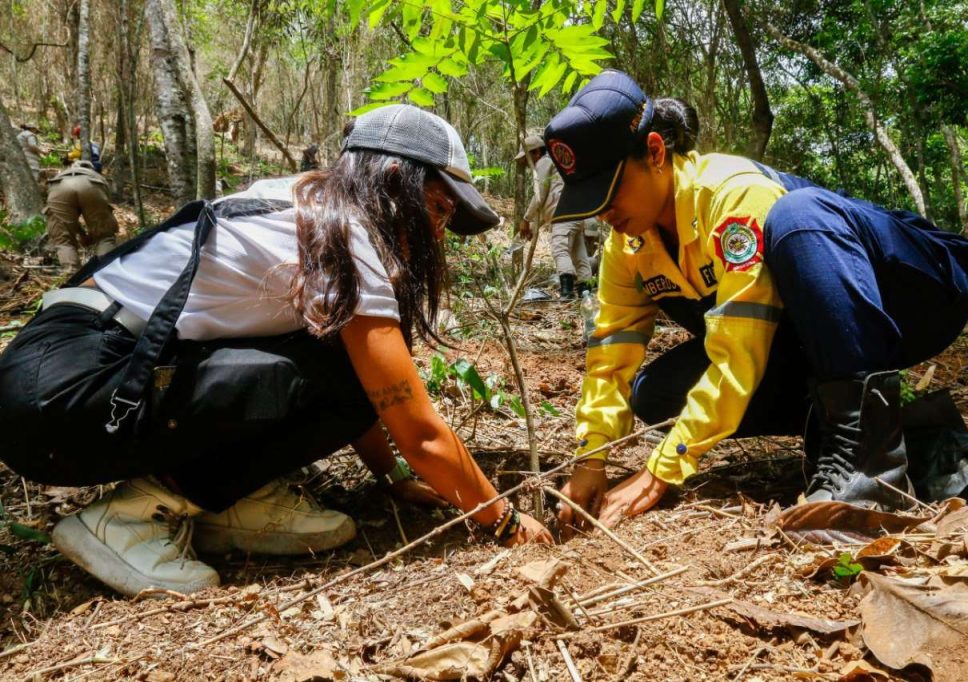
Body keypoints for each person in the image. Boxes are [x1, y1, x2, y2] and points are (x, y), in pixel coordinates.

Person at [0, 104, 552, 597]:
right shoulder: (349, 236)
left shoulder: (307, 201)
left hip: (58, 374)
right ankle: (126, 519)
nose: (437, 231)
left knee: (337, 362)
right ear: (392, 180)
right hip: (65, 388)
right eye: (437, 207)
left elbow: (358, 394)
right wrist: (502, 521)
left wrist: (391, 477)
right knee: (342, 368)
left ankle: (222, 496)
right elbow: (416, 425)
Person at [547, 71, 968, 534]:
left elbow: (737, 350)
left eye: (610, 191)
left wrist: (663, 469)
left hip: (919, 290)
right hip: (811, 338)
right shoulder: (627, 245)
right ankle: (857, 426)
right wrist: (591, 458)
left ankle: (865, 463)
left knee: (797, 215)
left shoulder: (732, 194)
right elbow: (611, 352)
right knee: (656, 392)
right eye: (591, 200)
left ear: (654, 152)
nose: (603, 212)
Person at [517, 134, 593, 299]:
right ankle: (585, 293)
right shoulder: (555, 164)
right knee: (579, 255)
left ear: (536, 152)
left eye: (526, 157)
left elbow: (540, 195)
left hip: (564, 215)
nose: (526, 163)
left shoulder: (544, 162)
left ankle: (567, 292)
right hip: (574, 213)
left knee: (560, 250)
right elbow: (548, 205)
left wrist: (526, 219)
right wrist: (533, 227)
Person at [45, 159, 119, 270]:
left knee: (64, 242)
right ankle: (103, 272)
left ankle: (73, 276)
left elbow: (69, 221)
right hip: (92, 186)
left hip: (60, 187)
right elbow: (100, 213)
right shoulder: (96, 176)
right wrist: (88, 234)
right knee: (105, 237)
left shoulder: (63, 173)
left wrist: (82, 234)